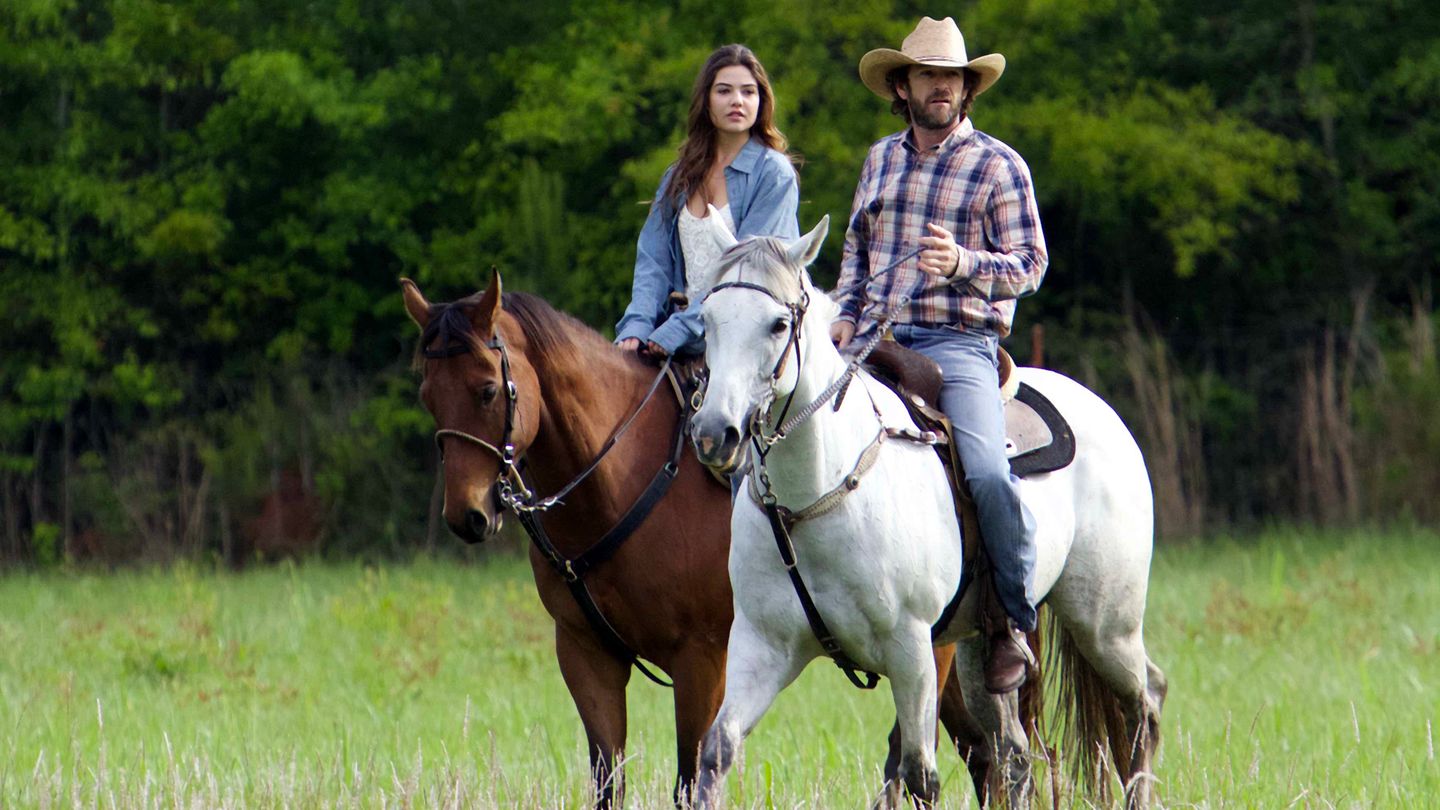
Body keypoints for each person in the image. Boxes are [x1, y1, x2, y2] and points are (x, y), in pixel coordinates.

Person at [834, 17, 1049, 694]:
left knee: (984, 471)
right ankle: (816, 603)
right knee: (792, 440)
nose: (941, 88)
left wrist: (963, 262)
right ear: (903, 85)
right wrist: (842, 319)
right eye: (927, 75)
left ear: (967, 87)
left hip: (959, 343)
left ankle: (1012, 619)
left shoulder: (998, 164)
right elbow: (854, 254)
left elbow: (1032, 265)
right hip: (877, 342)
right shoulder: (879, 159)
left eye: (952, 77)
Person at [616, 44, 800, 360]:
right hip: (672, 338)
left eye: (748, 92)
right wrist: (636, 327)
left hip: (744, 341)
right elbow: (653, 261)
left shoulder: (774, 173)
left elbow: (746, 271)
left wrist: (679, 329)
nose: (737, 101)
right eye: (724, 91)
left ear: (761, 101)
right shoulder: (679, 175)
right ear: (706, 101)